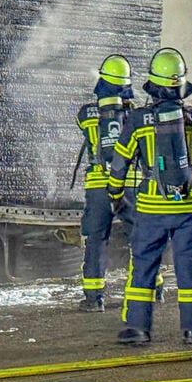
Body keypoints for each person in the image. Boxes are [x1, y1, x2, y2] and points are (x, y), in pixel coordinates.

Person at [107, 47, 192, 345]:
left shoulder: (138, 121)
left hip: (151, 209)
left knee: (144, 266)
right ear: (180, 87)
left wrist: (115, 194)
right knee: (189, 266)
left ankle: (138, 329)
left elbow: (119, 164)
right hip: (189, 209)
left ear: (153, 86)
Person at [74, 55, 159, 312]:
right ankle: (154, 288)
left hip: (99, 187)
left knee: (97, 238)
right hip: (131, 183)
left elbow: (85, 125)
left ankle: (94, 297)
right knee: (141, 238)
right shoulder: (136, 114)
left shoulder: (87, 114)